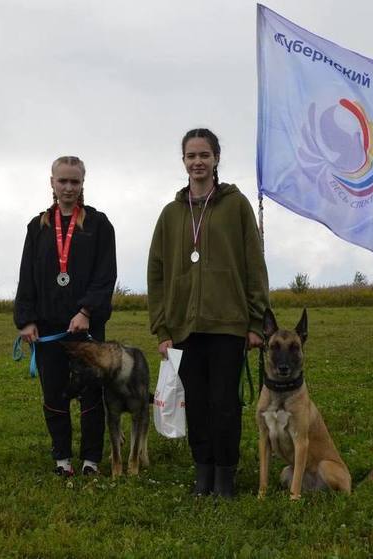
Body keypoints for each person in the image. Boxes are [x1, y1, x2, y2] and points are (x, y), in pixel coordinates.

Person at [147, 129, 269, 498]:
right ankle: (203, 473)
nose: (197, 162)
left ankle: (225, 476)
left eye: (204, 155)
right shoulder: (170, 214)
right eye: (191, 156)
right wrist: (162, 327)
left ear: (216, 159)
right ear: (183, 161)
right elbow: (156, 271)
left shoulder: (236, 206)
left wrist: (255, 321)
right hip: (184, 327)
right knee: (196, 405)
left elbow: (253, 263)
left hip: (228, 325)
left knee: (225, 405)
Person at [14, 156, 117, 477]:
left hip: (86, 327)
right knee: (54, 393)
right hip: (48, 328)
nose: (68, 187)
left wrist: (86, 310)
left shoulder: (99, 225)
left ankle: (90, 460)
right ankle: (62, 458)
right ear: (52, 183)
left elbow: (106, 274)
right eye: (63, 181)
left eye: (75, 181)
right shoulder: (38, 226)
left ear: (83, 183)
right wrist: (27, 320)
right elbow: (27, 277)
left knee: (90, 392)